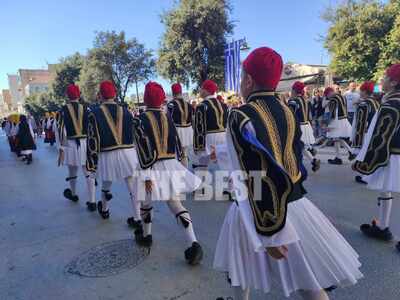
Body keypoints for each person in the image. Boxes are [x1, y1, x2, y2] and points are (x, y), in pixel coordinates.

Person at [213, 47, 362, 300]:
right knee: (307, 281)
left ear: (248, 80)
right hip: (295, 202)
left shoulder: (240, 115)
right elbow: (288, 157)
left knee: (240, 265)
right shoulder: (287, 110)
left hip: (258, 209)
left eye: (241, 78)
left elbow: (255, 172)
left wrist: (269, 232)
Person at [132, 82, 203, 265]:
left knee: (146, 203)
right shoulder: (167, 117)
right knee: (175, 204)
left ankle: (147, 236)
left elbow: (142, 148)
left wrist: (147, 174)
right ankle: (193, 242)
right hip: (170, 164)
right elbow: (177, 142)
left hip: (151, 166)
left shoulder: (139, 119)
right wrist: (179, 163)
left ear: (146, 99)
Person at [353, 64, 400, 251]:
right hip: (394, 154)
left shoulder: (391, 104)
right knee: (386, 190)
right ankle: (382, 227)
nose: (382, 81)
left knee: (386, 189)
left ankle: (383, 227)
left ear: (394, 82)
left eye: (385, 78)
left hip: (393, 155)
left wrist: (363, 163)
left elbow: (379, 138)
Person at [86, 80, 141, 225]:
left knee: (106, 183)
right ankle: (137, 217)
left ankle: (104, 210)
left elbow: (92, 140)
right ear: (115, 95)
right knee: (132, 185)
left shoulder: (94, 113)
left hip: (107, 153)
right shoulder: (127, 111)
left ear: (100, 96)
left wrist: (91, 163)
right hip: (128, 152)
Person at [55, 84, 96, 211]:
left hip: (70, 144)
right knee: (88, 172)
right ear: (79, 95)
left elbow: (59, 131)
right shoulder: (87, 109)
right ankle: (92, 201)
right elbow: (92, 129)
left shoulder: (61, 111)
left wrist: (60, 148)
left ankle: (73, 194)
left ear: (67, 96)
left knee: (72, 171)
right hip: (85, 144)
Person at [193, 79, 228, 166]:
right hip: (224, 137)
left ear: (206, 90)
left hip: (209, 139)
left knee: (204, 168)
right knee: (223, 167)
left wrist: (198, 147)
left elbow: (199, 128)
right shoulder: (223, 105)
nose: (200, 90)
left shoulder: (201, 106)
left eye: (201, 88)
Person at [350, 81, 379, 184]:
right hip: (375, 131)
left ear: (364, 91)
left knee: (365, 154)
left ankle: (365, 176)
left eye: (361, 90)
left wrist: (357, 140)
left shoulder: (364, 104)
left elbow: (360, 123)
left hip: (366, 132)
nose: (359, 92)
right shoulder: (375, 102)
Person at [288, 81, 320, 172]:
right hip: (306, 125)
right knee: (301, 146)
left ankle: (296, 167)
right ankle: (313, 159)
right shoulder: (305, 100)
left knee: (296, 146)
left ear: (294, 90)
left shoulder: (293, 101)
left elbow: (290, 115)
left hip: (299, 126)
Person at [324, 87, 355, 165]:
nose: (328, 98)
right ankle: (348, 153)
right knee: (337, 138)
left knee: (336, 138)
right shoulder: (342, 96)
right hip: (343, 118)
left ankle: (340, 157)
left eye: (327, 96)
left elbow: (333, 113)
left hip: (337, 120)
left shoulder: (333, 99)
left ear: (329, 93)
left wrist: (328, 124)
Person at [167, 83, 193, 167]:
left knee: (177, 154)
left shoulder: (171, 104)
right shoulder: (188, 104)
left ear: (173, 92)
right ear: (181, 92)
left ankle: (181, 173)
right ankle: (185, 170)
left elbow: (168, 119)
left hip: (177, 131)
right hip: (188, 130)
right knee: (184, 153)